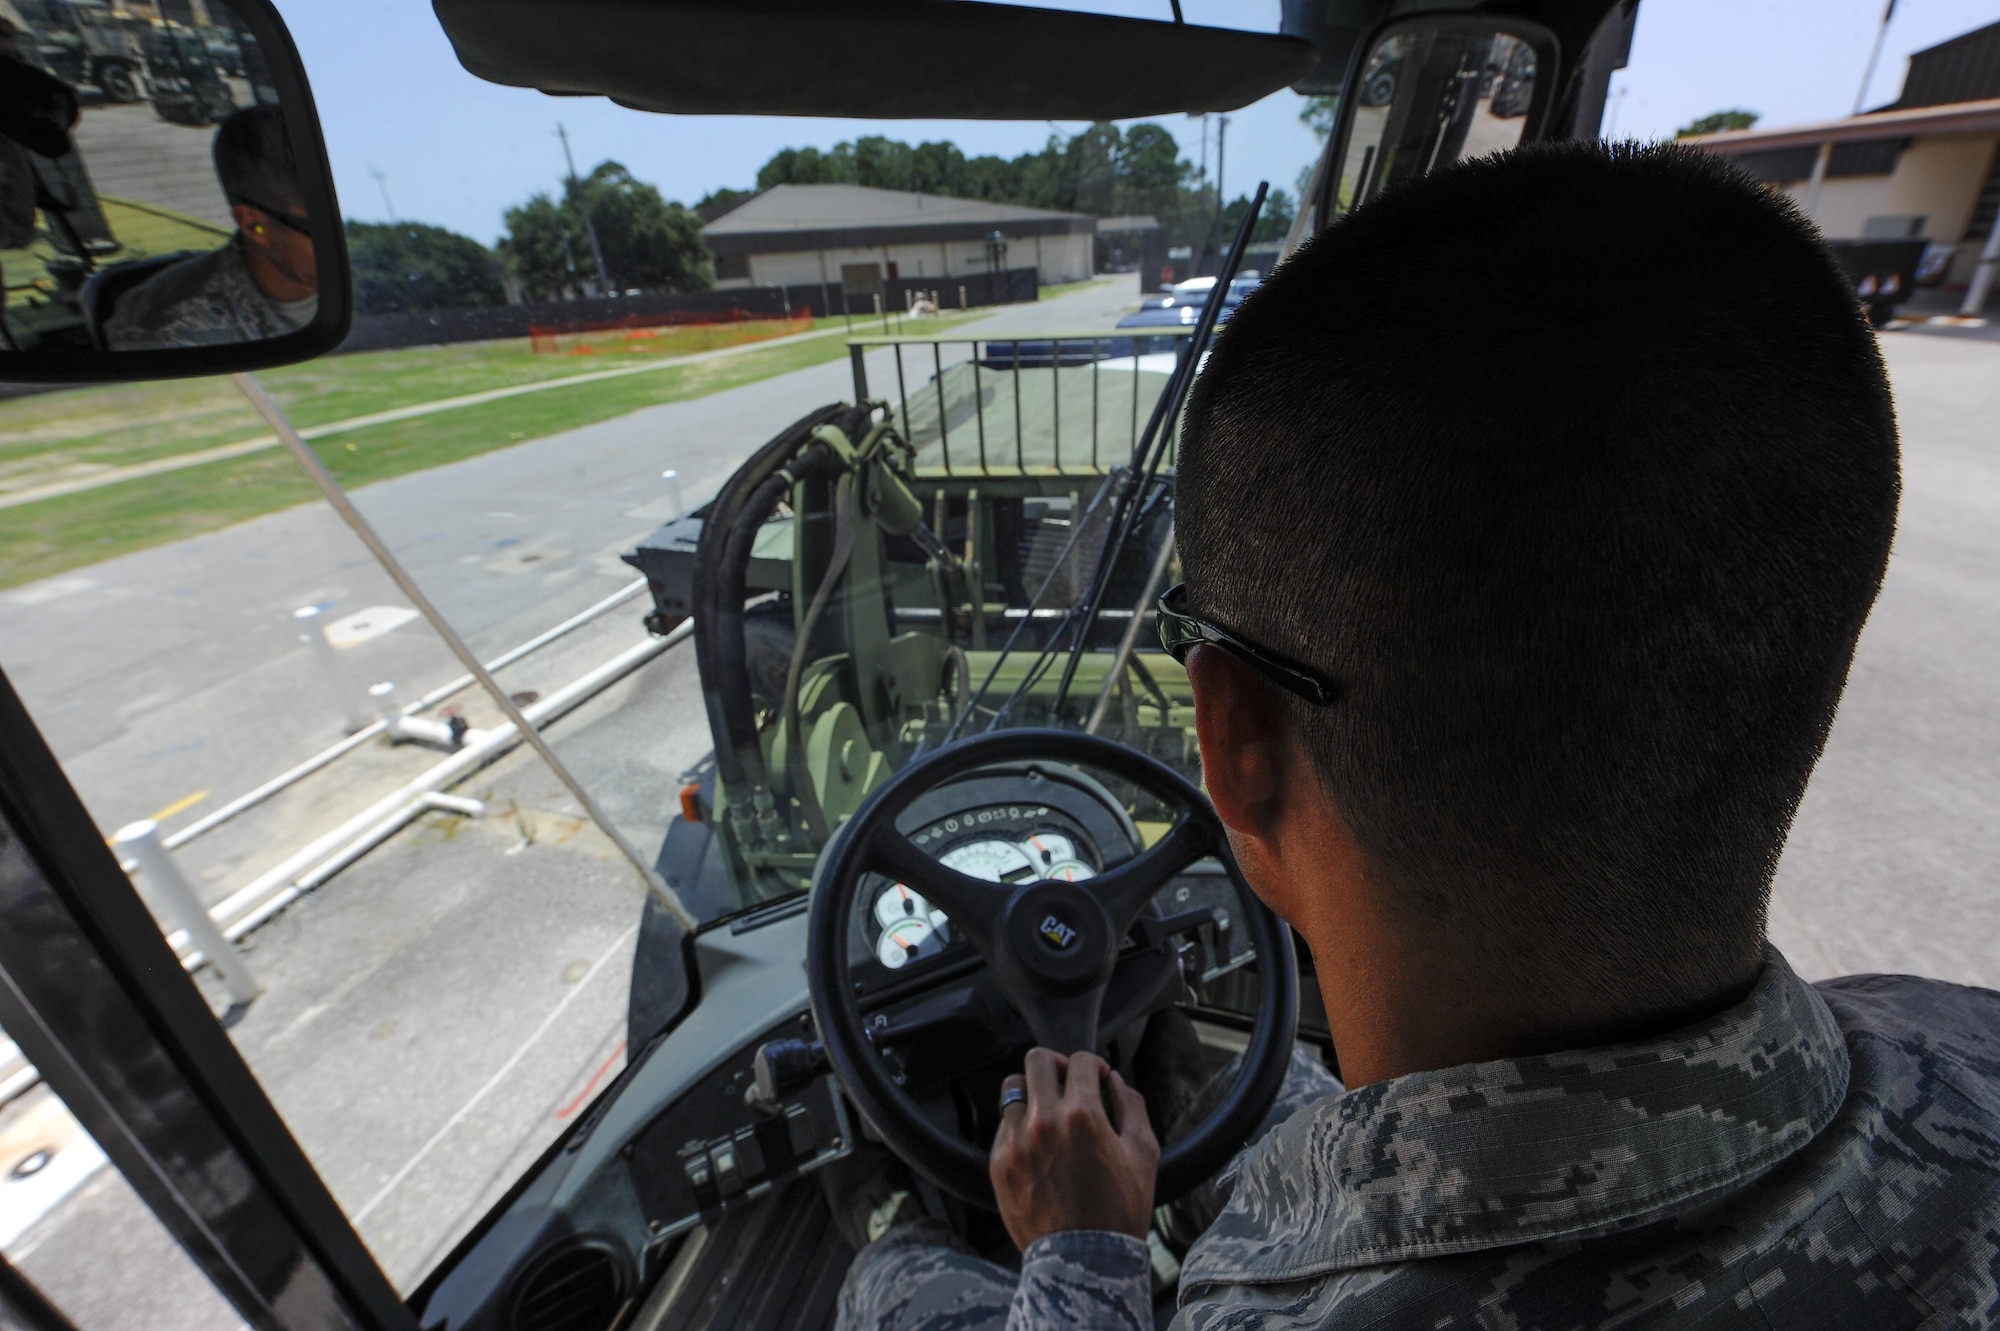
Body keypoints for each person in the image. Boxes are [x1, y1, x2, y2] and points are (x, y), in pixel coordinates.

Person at [835, 140, 2000, 1329]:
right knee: (1241, 1087)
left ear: (1233, 741)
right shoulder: (1962, 1050)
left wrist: (1081, 1249)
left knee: (890, 1275)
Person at [103, 102, 317, 348]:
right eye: (324, 227)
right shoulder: (172, 331)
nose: (350, 240)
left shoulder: (363, 269)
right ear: (254, 225)